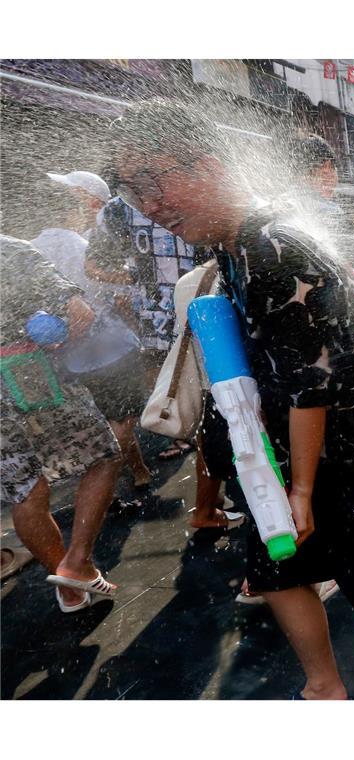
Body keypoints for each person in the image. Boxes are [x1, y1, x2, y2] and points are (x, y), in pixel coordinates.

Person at [114, 99, 354, 699]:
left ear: (208, 165)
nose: (148, 206)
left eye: (153, 180)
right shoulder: (233, 244)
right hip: (279, 445)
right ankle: (324, 687)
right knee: (277, 569)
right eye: (131, 190)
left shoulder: (276, 244)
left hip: (351, 445)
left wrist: (298, 490)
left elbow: (311, 382)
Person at [1, 235, 122, 613]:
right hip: (29, 374)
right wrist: (61, 339)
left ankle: (69, 587)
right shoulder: (12, 250)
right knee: (103, 458)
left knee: (26, 491)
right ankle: (76, 561)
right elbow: (80, 313)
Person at [36, 172, 154, 491]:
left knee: (105, 420)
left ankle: (137, 472)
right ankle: (107, 483)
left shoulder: (32, 252)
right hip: (111, 347)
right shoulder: (85, 247)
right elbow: (118, 296)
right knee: (122, 421)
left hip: (70, 357)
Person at [86, 173, 204, 461]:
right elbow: (94, 265)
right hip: (154, 320)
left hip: (200, 305)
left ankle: (204, 442)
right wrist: (137, 279)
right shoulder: (116, 211)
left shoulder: (188, 190)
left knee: (208, 381)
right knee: (167, 382)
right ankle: (187, 435)